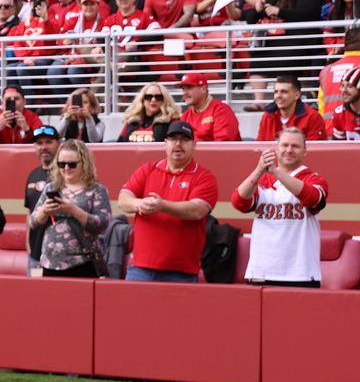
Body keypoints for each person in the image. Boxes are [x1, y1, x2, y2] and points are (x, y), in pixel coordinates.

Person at [118, 120, 220, 283]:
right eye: (173, 139)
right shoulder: (148, 169)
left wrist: (161, 205)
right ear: (165, 143)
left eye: (184, 139)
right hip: (140, 268)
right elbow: (123, 199)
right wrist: (140, 204)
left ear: (194, 145)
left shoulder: (204, 177)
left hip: (181, 272)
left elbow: (197, 210)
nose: (178, 144)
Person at [231, 127, 329, 286]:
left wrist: (276, 172)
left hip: (300, 274)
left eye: (295, 146)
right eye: (284, 145)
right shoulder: (262, 180)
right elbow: (238, 201)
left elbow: (313, 199)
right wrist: (258, 170)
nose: (289, 150)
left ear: (305, 152)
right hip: (262, 271)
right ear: (276, 149)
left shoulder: (314, 179)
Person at [29, 139, 112, 278]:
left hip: (83, 261)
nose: (66, 168)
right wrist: (44, 210)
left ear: (84, 164)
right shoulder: (51, 187)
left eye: (72, 164)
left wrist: (73, 210)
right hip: (50, 262)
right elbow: (33, 222)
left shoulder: (97, 190)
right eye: (61, 164)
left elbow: (102, 225)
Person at [24, 126, 59, 274]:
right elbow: (29, 212)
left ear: (59, 144)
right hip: (35, 254)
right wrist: (28, 243)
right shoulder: (32, 175)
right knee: (35, 296)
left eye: (49, 142)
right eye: (39, 143)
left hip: (59, 255)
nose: (44, 147)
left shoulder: (66, 173)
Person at [257, 75, 326, 140]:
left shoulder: (312, 117)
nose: (278, 96)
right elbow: (259, 146)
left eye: (284, 92)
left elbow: (315, 150)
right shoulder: (267, 116)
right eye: (276, 92)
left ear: (297, 95)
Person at [178, 73, 241, 141]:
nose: (185, 93)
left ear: (203, 89)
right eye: (183, 89)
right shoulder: (185, 116)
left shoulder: (221, 110)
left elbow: (223, 145)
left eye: (189, 88)